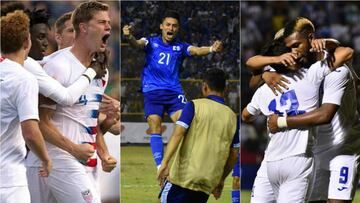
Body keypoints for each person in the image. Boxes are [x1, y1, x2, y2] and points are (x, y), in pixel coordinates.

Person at [26, 1, 116, 202]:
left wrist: (103, 153)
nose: (109, 27)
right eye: (102, 22)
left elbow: (88, 121)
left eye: (109, 22)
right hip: (57, 157)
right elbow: (40, 121)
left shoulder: (102, 71)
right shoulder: (58, 66)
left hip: (76, 160)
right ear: (83, 28)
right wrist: (74, 149)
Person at [122, 10, 223, 169]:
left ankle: (191, 162)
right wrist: (129, 37)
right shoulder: (150, 42)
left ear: (178, 29)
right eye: (168, 25)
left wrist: (211, 49)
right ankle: (160, 167)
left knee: (188, 125)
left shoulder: (181, 47)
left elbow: (196, 50)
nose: (171, 28)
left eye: (174, 26)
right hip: (153, 91)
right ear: (161, 26)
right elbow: (137, 44)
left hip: (174, 93)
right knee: (155, 126)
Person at [157, 68, 239, 202]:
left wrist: (164, 163)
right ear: (225, 89)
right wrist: (221, 179)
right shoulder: (232, 117)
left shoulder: (194, 106)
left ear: (204, 87)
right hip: (207, 182)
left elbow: (178, 134)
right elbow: (234, 154)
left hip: (183, 179)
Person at [0, 10, 52, 203]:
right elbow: (30, 132)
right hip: (9, 180)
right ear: (26, 42)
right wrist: (46, 159)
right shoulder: (24, 78)